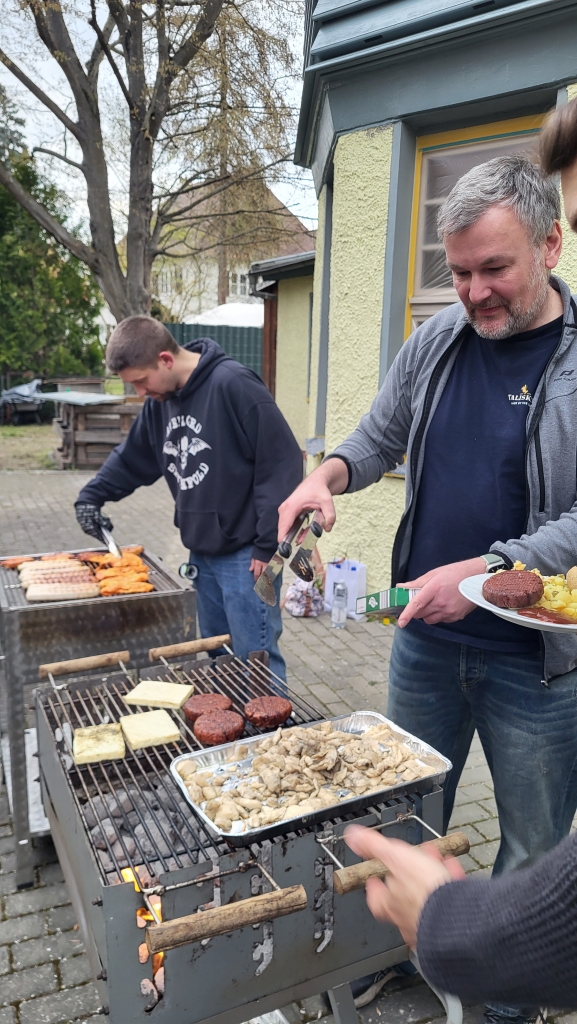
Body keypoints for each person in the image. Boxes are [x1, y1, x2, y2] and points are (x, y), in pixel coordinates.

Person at [279, 155, 577, 1024]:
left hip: (539, 664)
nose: (473, 292)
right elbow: (376, 437)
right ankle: (395, 956)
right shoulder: (437, 340)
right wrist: (324, 477)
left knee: (529, 846)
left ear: (550, 244)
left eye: (494, 269)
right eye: (457, 272)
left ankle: (507, 997)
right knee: (406, 816)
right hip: (423, 643)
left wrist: (485, 571)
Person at [75, 317, 303, 680]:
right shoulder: (158, 404)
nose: (139, 393)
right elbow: (132, 458)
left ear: (165, 359)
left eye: (140, 381)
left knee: (255, 659)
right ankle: (229, 736)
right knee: (216, 657)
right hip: (202, 554)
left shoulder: (233, 384)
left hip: (250, 557)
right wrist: (91, 498)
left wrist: (267, 545)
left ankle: (268, 737)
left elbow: (282, 462)